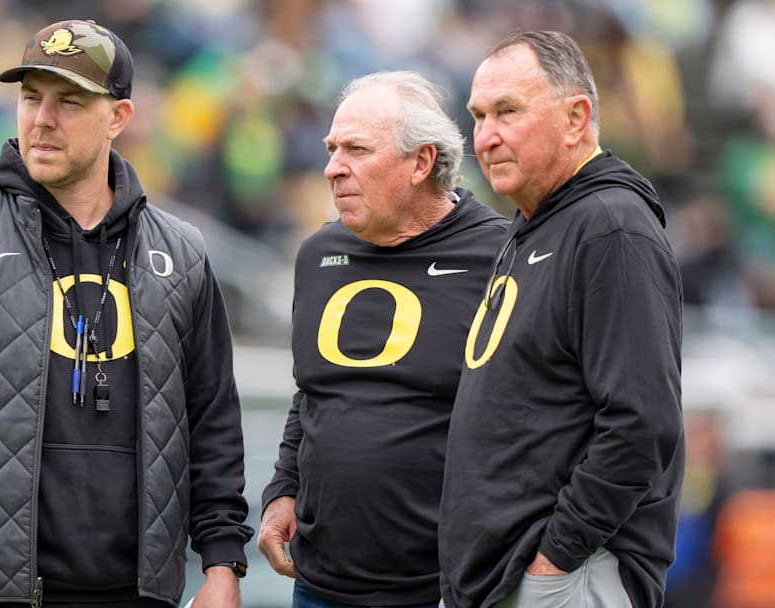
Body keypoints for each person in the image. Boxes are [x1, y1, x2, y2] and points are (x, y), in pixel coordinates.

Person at [0, 19, 253, 608]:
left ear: (118, 118)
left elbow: (213, 423)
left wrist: (223, 563)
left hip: (138, 593)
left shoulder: (182, 255)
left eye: (69, 102)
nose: (41, 119)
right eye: (30, 97)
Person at [438, 30, 685, 608]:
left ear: (576, 118)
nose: (486, 136)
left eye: (508, 111)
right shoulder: (537, 225)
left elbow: (642, 421)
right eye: (477, 116)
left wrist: (553, 562)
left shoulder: (611, 226)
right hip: (506, 579)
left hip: (563, 579)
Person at [257, 71, 508, 607]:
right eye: (331, 149)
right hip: (319, 582)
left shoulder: (500, 258)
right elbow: (313, 394)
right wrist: (282, 491)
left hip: (443, 586)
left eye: (356, 149)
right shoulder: (317, 255)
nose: (332, 168)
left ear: (421, 162)